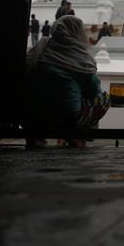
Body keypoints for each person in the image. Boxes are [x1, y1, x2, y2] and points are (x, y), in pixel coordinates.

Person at [24, 15, 109, 149]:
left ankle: (36, 137)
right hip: (66, 118)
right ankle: (78, 136)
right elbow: (94, 89)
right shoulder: (83, 57)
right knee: (103, 98)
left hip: (33, 114)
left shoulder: (42, 47)